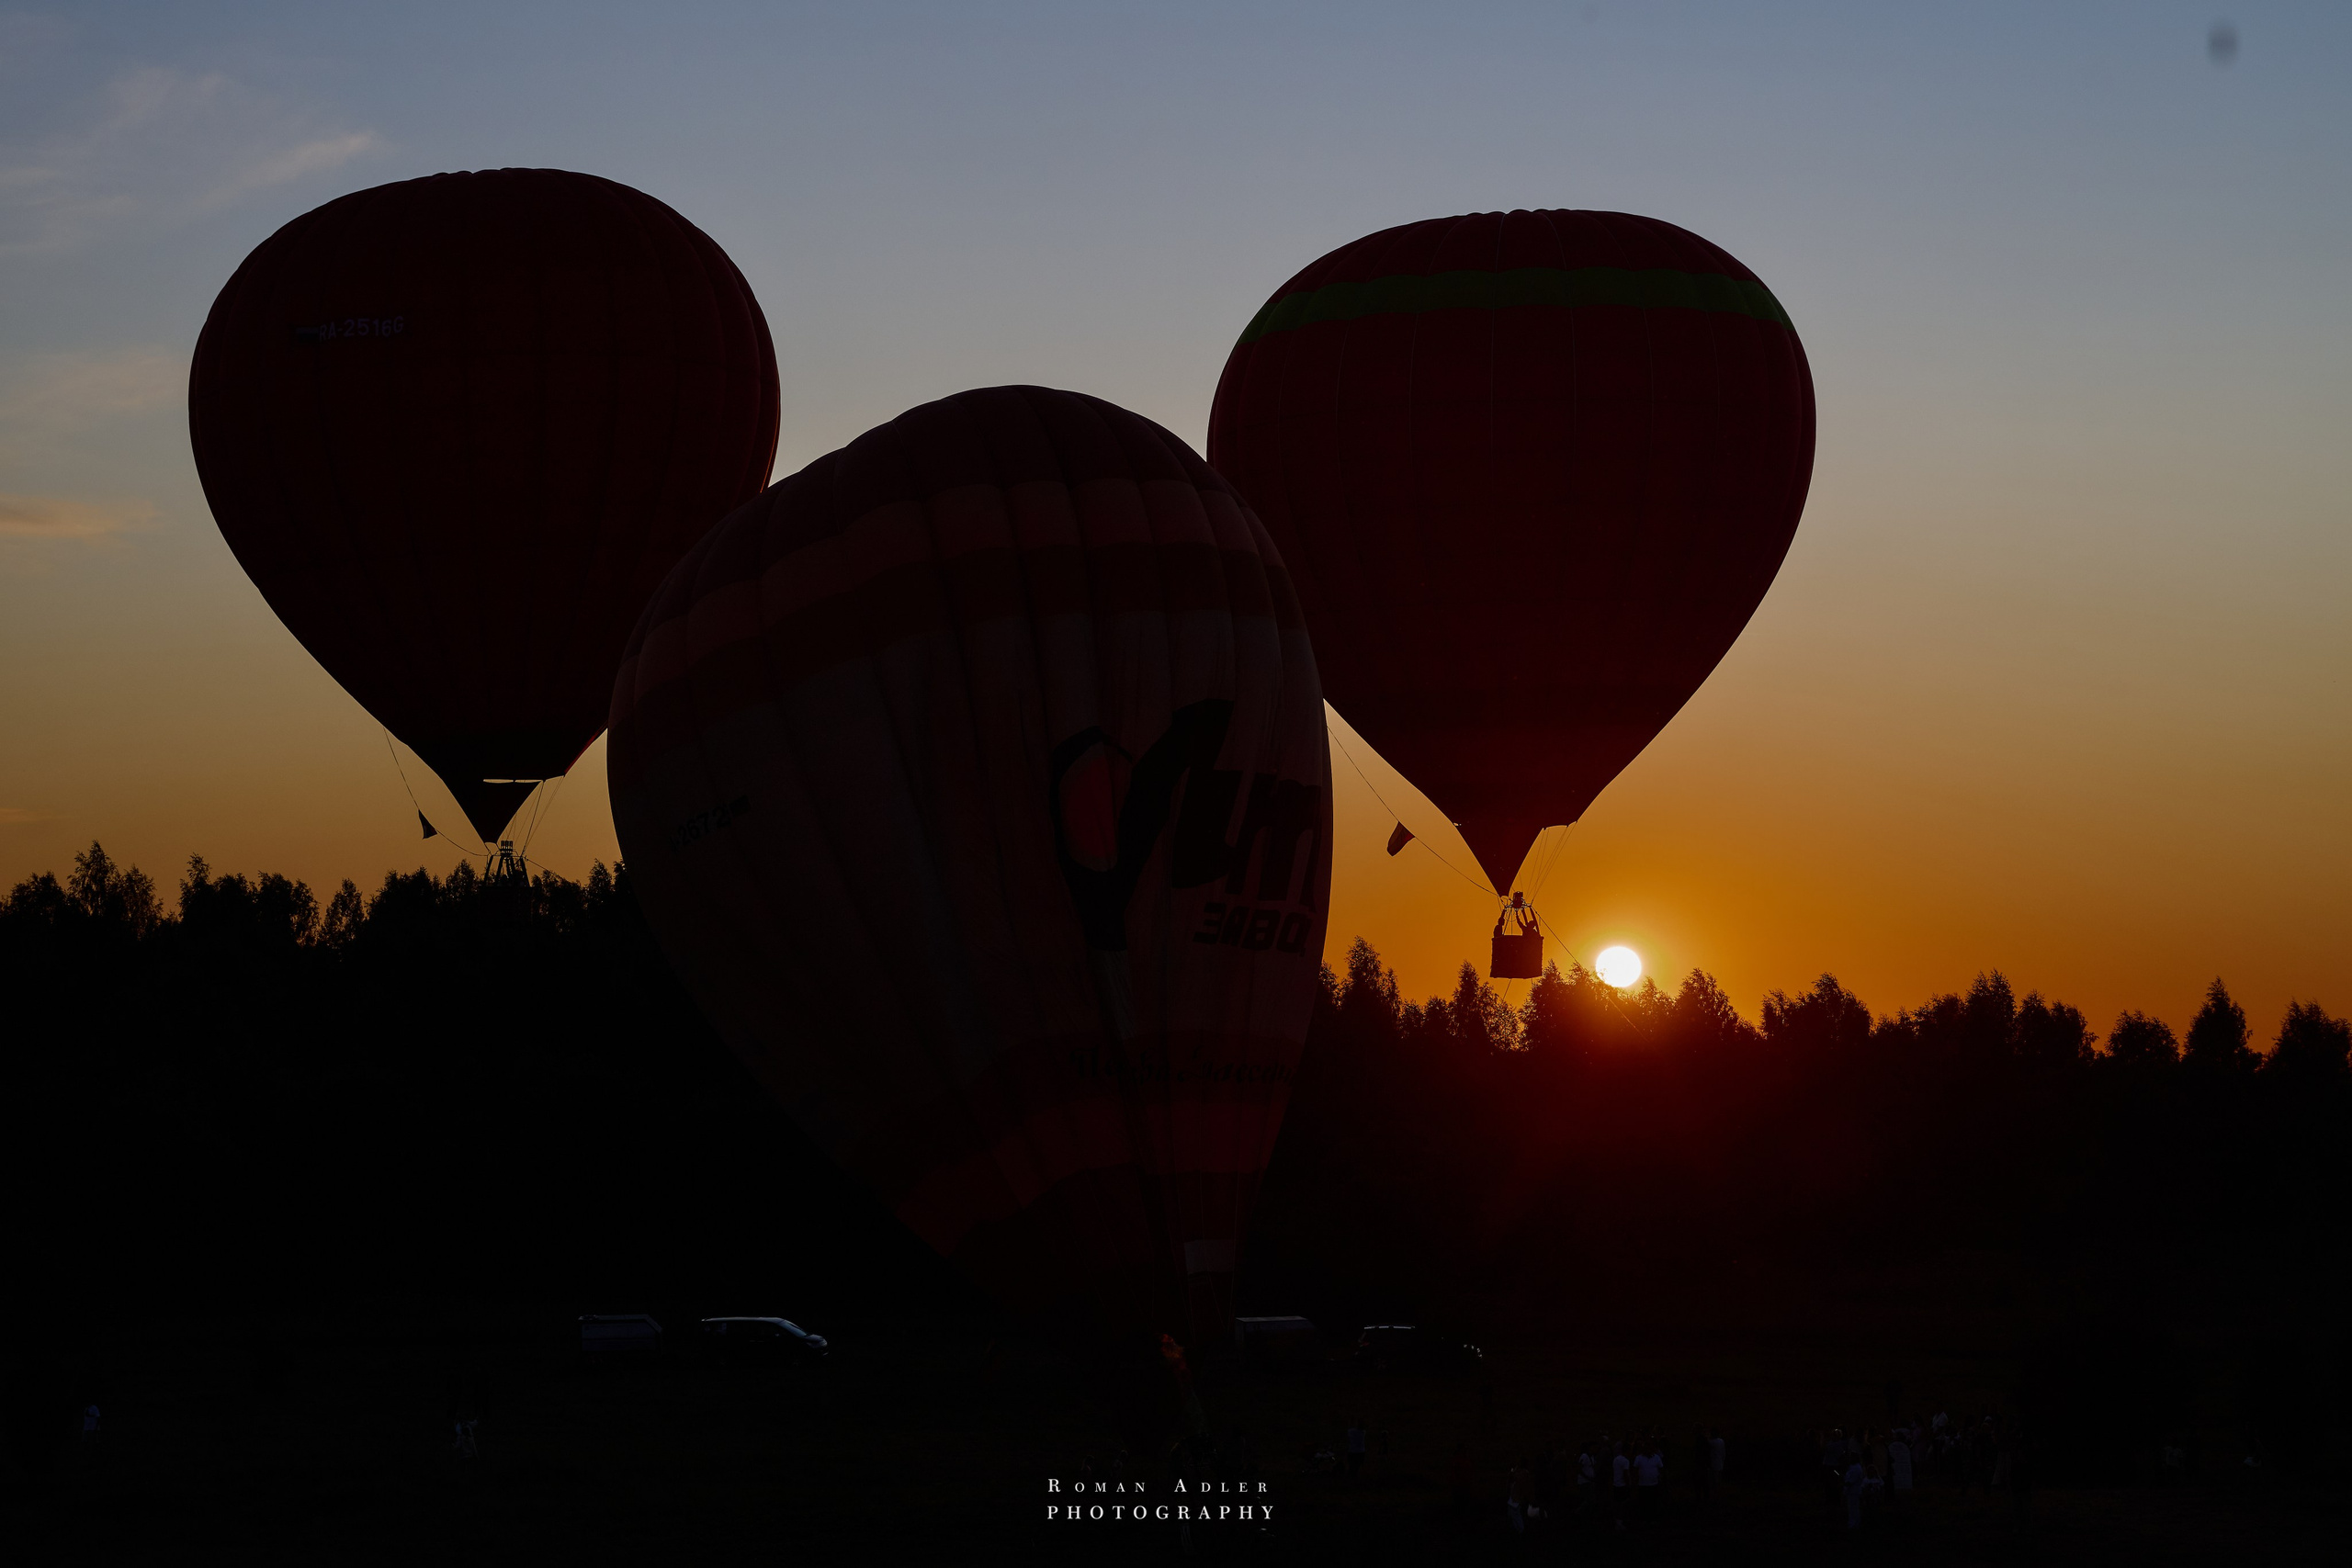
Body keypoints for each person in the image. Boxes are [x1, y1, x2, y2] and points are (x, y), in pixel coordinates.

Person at [1632, 1437, 1665, 1525]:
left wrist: (1660, 1480)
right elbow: (1635, 1471)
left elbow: (1661, 1469)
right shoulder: (1639, 1458)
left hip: (1653, 1484)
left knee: (1653, 1502)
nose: (1648, 1449)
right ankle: (1644, 1519)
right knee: (1644, 1503)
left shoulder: (1657, 1458)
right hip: (1642, 1484)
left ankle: (1652, 1518)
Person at [1611, 1438, 1630, 1529]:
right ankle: (1620, 1522)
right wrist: (1628, 1484)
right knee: (1623, 1504)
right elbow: (1626, 1474)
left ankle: (1616, 1521)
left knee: (1616, 1503)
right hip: (1622, 1485)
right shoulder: (1625, 1461)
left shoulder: (1616, 1460)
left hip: (1615, 1484)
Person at [1345, 1417, 1367, 1483]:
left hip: (1352, 1451)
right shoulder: (1363, 1432)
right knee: (1356, 1467)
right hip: (1360, 1452)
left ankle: (1350, 1480)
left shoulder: (1351, 1431)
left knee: (1352, 1467)